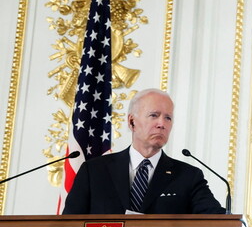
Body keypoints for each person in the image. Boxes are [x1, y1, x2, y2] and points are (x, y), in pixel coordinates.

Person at [63, 88, 226, 215]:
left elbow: (215, 217)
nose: (162, 124)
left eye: (168, 118)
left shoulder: (188, 176)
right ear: (132, 121)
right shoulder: (94, 171)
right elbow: (69, 226)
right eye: (154, 115)